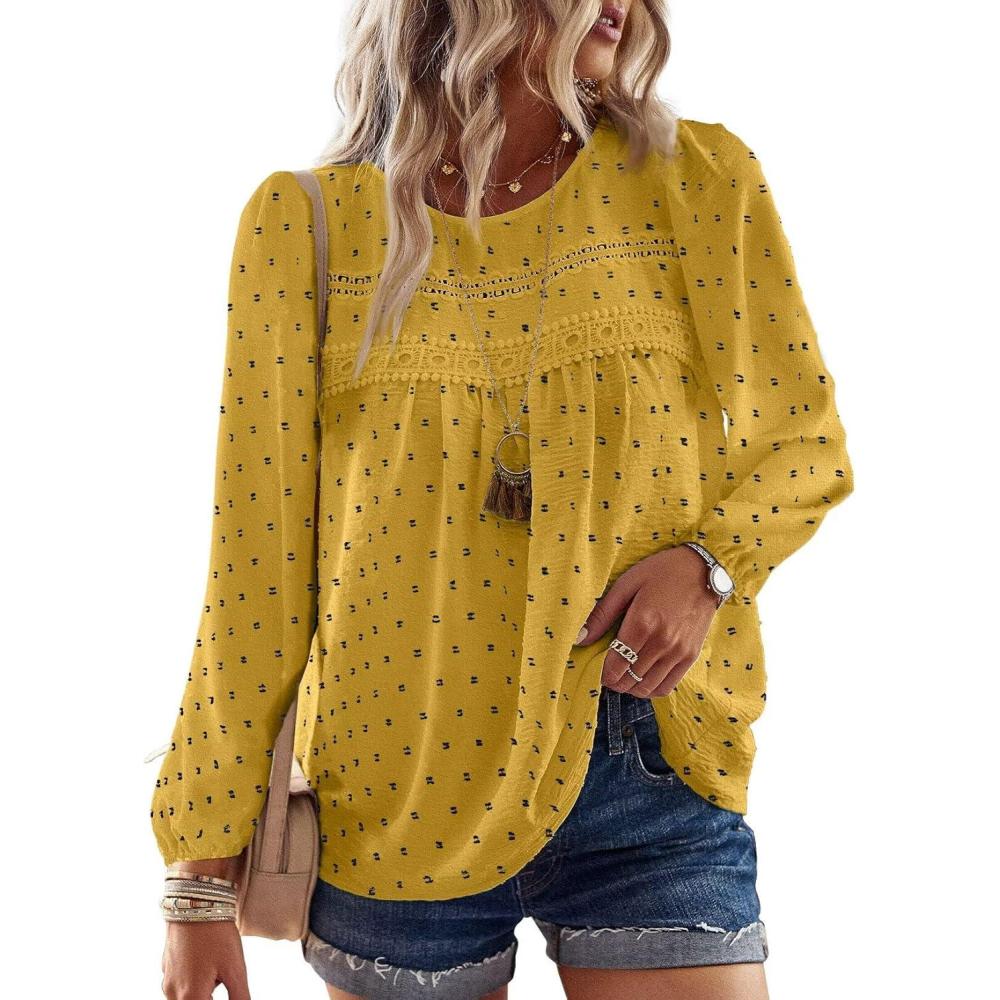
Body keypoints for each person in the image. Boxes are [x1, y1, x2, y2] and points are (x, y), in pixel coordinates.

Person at [150, 1, 854, 997]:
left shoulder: (694, 181)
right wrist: (196, 880)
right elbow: (256, 571)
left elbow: (802, 438)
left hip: (642, 756)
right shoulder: (307, 225)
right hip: (393, 784)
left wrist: (708, 567)